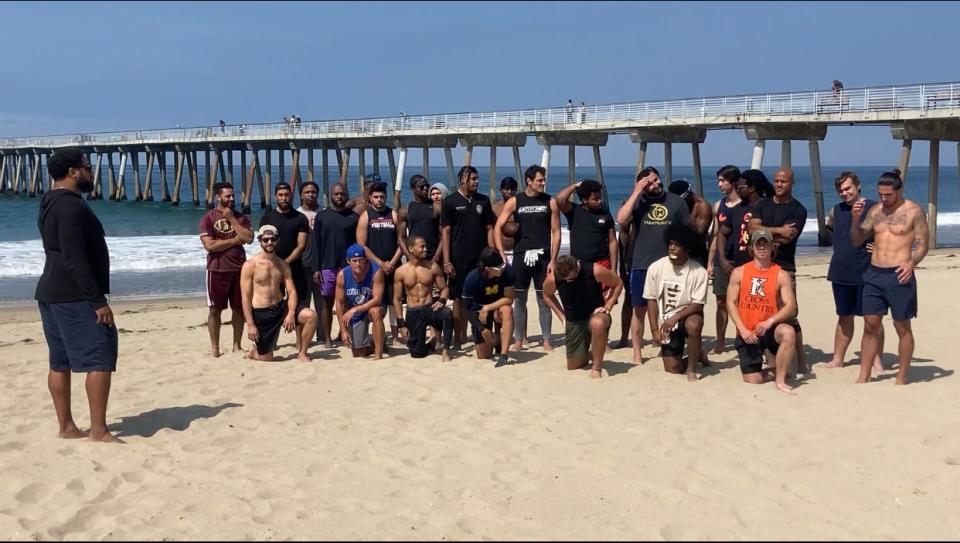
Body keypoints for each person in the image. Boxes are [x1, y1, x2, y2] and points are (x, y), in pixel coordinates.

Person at [36, 148, 122, 443]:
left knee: (59, 361)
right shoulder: (71, 207)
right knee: (100, 354)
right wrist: (97, 301)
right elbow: (75, 257)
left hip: (51, 291)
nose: (90, 172)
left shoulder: (49, 202)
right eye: (86, 167)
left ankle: (67, 427)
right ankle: (98, 430)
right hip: (74, 295)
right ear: (72, 171)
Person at [851, 169, 928, 385]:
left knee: (902, 327)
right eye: (881, 194)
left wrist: (912, 262)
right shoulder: (875, 211)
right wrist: (855, 220)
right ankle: (863, 376)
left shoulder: (914, 211)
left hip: (899, 274)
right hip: (874, 273)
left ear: (899, 191)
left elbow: (923, 244)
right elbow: (857, 240)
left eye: (888, 195)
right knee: (870, 325)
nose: (884, 199)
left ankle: (901, 377)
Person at [615, 166, 691, 365]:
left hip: (669, 264)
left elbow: (686, 232)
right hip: (641, 263)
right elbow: (621, 220)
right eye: (650, 182)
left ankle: (669, 344)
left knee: (671, 308)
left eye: (657, 179)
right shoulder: (637, 202)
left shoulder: (676, 202)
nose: (656, 184)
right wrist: (637, 192)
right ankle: (637, 352)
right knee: (638, 309)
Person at [748, 167, 808, 372]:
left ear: (792, 183)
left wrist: (765, 232)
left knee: (789, 314)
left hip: (785, 268)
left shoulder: (798, 209)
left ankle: (800, 360)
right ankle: (768, 355)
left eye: (784, 181)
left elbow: (789, 237)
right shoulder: (762, 204)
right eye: (776, 181)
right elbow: (751, 228)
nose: (779, 185)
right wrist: (778, 231)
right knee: (761, 311)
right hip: (761, 268)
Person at [494, 165, 560, 352]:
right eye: (539, 180)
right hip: (521, 255)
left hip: (543, 256)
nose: (543, 183)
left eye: (544, 179)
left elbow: (556, 232)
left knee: (544, 298)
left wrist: (554, 260)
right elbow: (498, 227)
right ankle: (518, 341)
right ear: (529, 181)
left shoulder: (550, 201)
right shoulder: (515, 201)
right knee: (519, 300)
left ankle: (547, 340)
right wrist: (501, 253)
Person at [824, 172, 883, 372]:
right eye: (840, 190)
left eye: (848, 188)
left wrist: (879, 248)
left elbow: (891, 233)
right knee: (844, 316)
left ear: (858, 186)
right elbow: (830, 230)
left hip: (868, 272)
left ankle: (877, 361)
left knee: (872, 319)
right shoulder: (836, 210)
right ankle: (838, 358)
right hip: (840, 272)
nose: (844, 193)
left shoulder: (875, 208)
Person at [727, 230, 799, 395]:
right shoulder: (739, 272)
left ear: (771, 247)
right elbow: (731, 302)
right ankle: (777, 369)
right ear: (751, 248)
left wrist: (770, 321)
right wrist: (742, 329)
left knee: (788, 332)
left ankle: (780, 380)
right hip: (748, 332)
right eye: (758, 243)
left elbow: (790, 306)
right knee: (754, 380)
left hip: (768, 329)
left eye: (765, 243)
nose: (761, 247)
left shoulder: (781, 274)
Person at [642, 224, 709, 381]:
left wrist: (676, 317)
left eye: (677, 245)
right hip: (667, 322)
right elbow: (651, 299)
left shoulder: (698, 271)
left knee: (694, 325)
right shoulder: (655, 268)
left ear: (687, 248)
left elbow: (698, 304)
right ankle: (698, 354)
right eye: (670, 243)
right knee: (673, 368)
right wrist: (654, 330)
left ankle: (692, 369)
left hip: (688, 314)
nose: (672, 248)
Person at [241, 225, 316, 362]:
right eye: (266, 240)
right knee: (267, 358)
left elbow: (292, 291)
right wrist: (250, 324)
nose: (269, 243)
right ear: (260, 241)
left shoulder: (282, 265)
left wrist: (291, 313)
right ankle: (253, 352)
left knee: (310, 316)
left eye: (273, 239)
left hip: (281, 307)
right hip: (262, 313)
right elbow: (245, 298)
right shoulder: (250, 265)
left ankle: (302, 353)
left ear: (278, 240)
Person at [441, 165, 496, 350]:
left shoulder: (484, 201)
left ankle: (479, 334)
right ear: (463, 180)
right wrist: (447, 261)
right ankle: (458, 338)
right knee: (458, 299)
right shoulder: (450, 202)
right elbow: (446, 233)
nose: (476, 182)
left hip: (480, 259)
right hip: (458, 259)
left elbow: (490, 228)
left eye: (477, 178)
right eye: (473, 179)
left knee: (482, 296)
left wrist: (492, 254)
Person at [542, 255, 623, 378]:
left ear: (577, 269)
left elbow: (618, 283)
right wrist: (562, 317)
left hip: (596, 313)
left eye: (571, 279)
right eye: (565, 280)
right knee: (573, 365)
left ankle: (597, 368)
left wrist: (608, 306)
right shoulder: (555, 277)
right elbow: (547, 294)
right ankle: (593, 353)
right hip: (574, 319)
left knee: (598, 323)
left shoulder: (594, 270)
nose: (568, 282)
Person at [199, 181, 253, 357]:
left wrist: (231, 219)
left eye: (232, 195)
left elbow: (249, 238)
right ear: (218, 197)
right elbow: (210, 246)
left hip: (240, 269)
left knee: (239, 308)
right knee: (215, 309)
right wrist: (234, 241)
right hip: (216, 270)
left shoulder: (241, 217)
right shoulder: (208, 218)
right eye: (227, 195)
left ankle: (237, 345)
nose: (231, 198)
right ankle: (215, 347)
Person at [259, 182, 314, 352]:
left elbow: (301, 245)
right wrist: (275, 265)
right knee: (271, 306)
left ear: (292, 196)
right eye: (280, 195)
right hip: (271, 270)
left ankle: (299, 343)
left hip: (295, 270)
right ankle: (271, 341)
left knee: (298, 305)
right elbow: (263, 242)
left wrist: (284, 265)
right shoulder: (267, 217)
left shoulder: (300, 218)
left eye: (287, 195)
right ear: (275, 196)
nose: (284, 198)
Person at [356, 181, 403, 346]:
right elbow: (362, 245)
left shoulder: (393, 214)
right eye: (376, 197)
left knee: (394, 301)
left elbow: (401, 243)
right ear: (370, 198)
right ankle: (374, 334)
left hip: (393, 266)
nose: (379, 200)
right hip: (374, 268)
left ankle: (396, 336)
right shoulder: (366, 216)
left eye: (382, 197)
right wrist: (380, 263)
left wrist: (393, 262)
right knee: (374, 301)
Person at [312, 182, 359, 347]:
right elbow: (316, 244)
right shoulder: (321, 216)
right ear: (330, 196)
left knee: (347, 302)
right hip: (327, 266)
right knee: (327, 303)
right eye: (336, 194)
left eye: (342, 194)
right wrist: (316, 268)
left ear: (347, 195)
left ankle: (343, 334)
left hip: (347, 267)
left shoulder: (353, 217)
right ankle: (327, 338)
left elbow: (358, 244)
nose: (339, 197)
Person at [394, 236, 453, 361]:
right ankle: (429, 344)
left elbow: (445, 288)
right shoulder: (401, 271)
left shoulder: (433, 267)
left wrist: (441, 301)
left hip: (429, 308)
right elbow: (397, 299)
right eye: (422, 247)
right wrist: (401, 325)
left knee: (447, 313)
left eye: (425, 246)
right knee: (417, 354)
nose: (425, 249)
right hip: (413, 311)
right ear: (411, 249)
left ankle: (446, 350)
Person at [706, 165, 742, 354]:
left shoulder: (745, 205)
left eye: (723, 180)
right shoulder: (718, 206)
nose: (719, 184)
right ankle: (720, 341)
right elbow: (715, 236)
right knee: (721, 301)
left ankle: (741, 338)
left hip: (742, 261)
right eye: (719, 180)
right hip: (722, 260)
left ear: (733, 182)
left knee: (741, 302)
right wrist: (710, 262)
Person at [461, 248, 516, 366]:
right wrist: (482, 329)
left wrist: (488, 308)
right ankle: (496, 340)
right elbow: (466, 309)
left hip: (496, 309)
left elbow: (509, 298)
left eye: (503, 265)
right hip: (479, 314)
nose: (502, 269)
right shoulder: (473, 278)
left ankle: (504, 355)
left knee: (507, 310)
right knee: (484, 356)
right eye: (499, 268)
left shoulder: (507, 272)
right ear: (488, 269)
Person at [334, 243, 387, 359]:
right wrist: (343, 330)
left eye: (360, 260)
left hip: (373, 306)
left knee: (375, 311)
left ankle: (379, 353)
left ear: (366, 260)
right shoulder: (342, 275)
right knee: (358, 353)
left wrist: (354, 309)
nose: (358, 264)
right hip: (356, 313)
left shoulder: (376, 272)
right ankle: (377, 341)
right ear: (348, 261)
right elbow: (339, 303)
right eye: (354, 261)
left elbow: (377, 299)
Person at [716, 169, 772, 271]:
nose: (737, 190)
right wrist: (722, 258)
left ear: (751, 188)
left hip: (763, 266)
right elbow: (722, 233)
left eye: (739, 188)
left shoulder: (769, 207)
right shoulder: (737, 209)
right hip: (739, 267)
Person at [556, 179, 617, 271]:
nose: (600, 201)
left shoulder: (605, 214)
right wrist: (575, 186)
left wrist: (614, 268)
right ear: (584, 200)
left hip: (602, 263)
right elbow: (560, 199)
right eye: (595, 199)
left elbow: (612, 241)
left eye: (600, 197)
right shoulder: (574, 211)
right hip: (579, 264)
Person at [297, 181, 323, 341]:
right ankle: (302, 338)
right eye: (307, 192)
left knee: (321, 304)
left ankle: (321, 336)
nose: (310, 194)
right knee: (303, 303)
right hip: (302, 265)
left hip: (321, 264)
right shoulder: (296, 214)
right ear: (301, 195)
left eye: (313, 192)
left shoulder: (323, 213)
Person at [667, 179, 713, 268]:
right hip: (677, 251)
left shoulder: (702, 206)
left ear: (688, 195)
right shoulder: (675, 204)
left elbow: (698, 234)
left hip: (696, 254)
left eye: (681, 200)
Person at [398, 174, 442, 265]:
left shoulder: (437, 207)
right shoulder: (405, 210)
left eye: (427, 186)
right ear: (413, 189)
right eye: (422, 186)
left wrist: (436, 257)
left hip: (433, 257)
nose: (425, 188)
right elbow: (401, 238)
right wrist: (409, 257)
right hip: (414, 258)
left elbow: (443, 235)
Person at [491, 176, 519, 264]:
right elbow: (490, 229)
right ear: (501, 190)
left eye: (512, 189)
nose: (509, 192)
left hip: (517, 252)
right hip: (499, 252)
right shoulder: (495, 207)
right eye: (506, 189)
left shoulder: (520, 207)